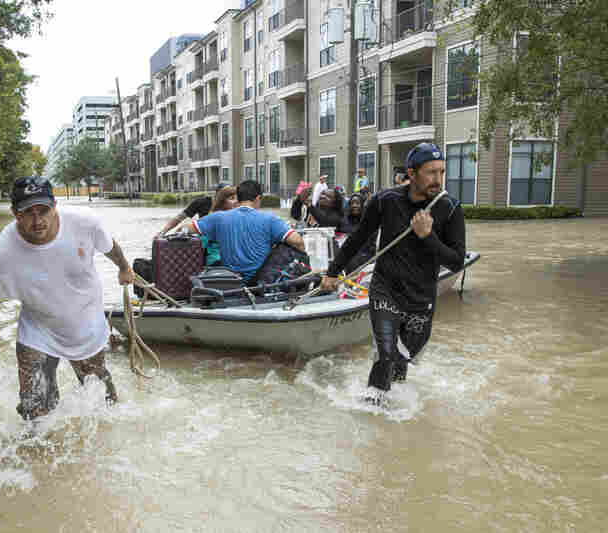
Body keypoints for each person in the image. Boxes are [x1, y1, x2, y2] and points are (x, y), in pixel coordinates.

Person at [0, 176, 135, 420]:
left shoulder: (85, 223)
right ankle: (38, 453)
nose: (37, 220)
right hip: (38, 331)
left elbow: (109, 247)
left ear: (55, 206)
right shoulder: (1, 252)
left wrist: (124, 268)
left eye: (43, 210)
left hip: (84, 324)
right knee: (36, 412)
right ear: (15, 214)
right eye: (28, 213)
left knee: (102, 405)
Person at [320, 143, 466, 404]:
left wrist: (428, 236)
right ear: (412, 173)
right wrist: (333, 272)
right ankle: (372, 415)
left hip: (421, 296)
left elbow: (456, 262)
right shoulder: (385, 201)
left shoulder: (450, 208)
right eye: (431, 172)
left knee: (400, 362)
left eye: (442, 172)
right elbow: (357, 239)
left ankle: (396, 421)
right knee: (386, 354)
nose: (438, 179)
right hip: (385, 288)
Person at [187, 180, 305, 283]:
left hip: (230, 278)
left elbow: (189, 229)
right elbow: (298, 241)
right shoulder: (270, 219)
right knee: (286, 246)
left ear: (238, 198)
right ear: (258, 198)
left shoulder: (218, 218)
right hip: (259, 279)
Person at [157, 182, 230, 236]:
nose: (230, 200)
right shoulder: (201, 202)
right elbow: (179, 218)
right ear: (217, 194)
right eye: (226, 196)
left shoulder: (234, 205)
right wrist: (163, 232)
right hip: (205, 236)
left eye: (232, 197)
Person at [202, 185, 238, 266]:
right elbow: (202, 243)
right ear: (222, 202)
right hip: (217, 261)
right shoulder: (213, 218)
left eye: (238, 199)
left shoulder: (240, 218)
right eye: (232, 198)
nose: (236, 201)